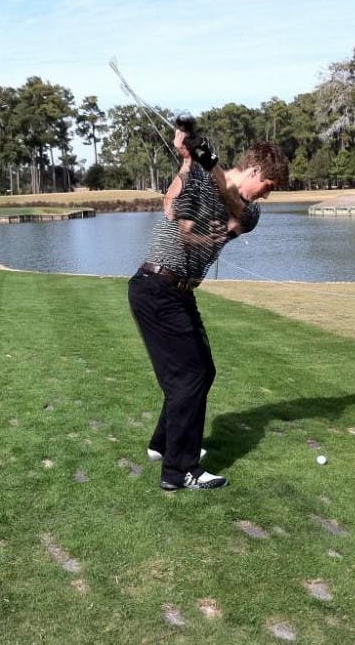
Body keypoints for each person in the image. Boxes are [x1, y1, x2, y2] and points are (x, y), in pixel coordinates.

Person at [128, 115, 289, 490]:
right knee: (190, 377)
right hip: (156, 286)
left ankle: (163, 444)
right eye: (268, 184)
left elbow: (233, 205)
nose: (267, 194)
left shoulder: (250, 212)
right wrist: (189, 157)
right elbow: (171, 203)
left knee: (201, 373)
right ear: (253, 169)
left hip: (178, 293)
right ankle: (178, 471)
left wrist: (209, 161)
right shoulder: (198, 179)